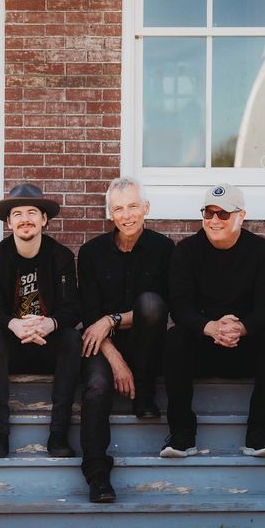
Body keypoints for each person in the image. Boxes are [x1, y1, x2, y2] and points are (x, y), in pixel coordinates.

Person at [161, 183, 265, 459]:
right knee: (175, 337)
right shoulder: (187, 251)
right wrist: (210, 328)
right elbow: (179, 307)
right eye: (208, 213)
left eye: (223, 214)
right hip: (201, 346)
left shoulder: (262, 252)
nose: (214, 220)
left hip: (244, 346)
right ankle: (181, 435)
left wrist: (241, 327)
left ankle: (258, 436)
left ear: (241, 215)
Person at [76, 177, 174, 501]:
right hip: (103, 344)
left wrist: (112, 318)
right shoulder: (90, 253)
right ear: (110, 214)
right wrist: (115, 360)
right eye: (119, 208)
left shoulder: (164, 249)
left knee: (149, 303)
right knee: (96, 386)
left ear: (146, 208)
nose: (127, 214)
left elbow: (162, 306)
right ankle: (97, 475)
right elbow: (90, 315)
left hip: (148, 342)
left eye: (133, 206)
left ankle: (143, 394)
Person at [0, 183, 82, 464]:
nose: (25, 219)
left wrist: (51, 323)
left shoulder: (60, 256)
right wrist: (14, 325)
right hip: (11, 348)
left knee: (72, 337)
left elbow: (73, 307)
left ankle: (59, 433)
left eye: (32, 212)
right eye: (18, 214)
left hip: (48, 344)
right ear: (8, 221)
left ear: (44, 219)